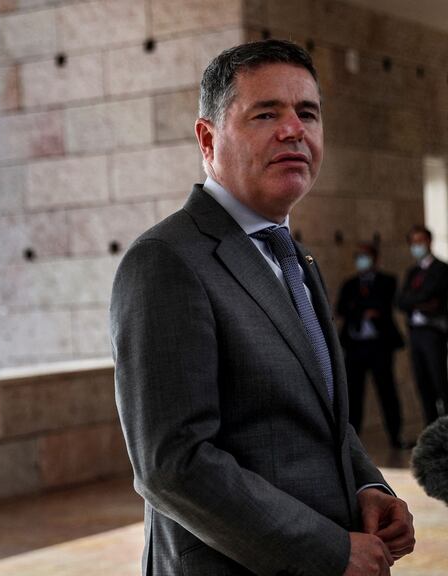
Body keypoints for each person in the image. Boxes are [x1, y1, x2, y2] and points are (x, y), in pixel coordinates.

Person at [110, 39, 415, 575]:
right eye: (266, 113)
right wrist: (328, 551)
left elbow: (321, 415)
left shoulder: (295, 257)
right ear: (208, 139)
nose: (294, 129)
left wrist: (368, 484)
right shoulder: (166, 260)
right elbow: (173, 466)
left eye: (308, 113)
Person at [336, 243, 406, 448]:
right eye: (358, 256)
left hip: (379, 346)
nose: (361, 260)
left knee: (387, 391)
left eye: (365, 256)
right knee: (354, 394)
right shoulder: (349, 284)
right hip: (355, 347)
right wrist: (363, 307)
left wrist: (357, 306)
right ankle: (352, 441)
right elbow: (341, 309)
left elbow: (382, 306)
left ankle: (395, 436)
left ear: (375, 259)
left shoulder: (387, 280)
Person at [397, 225, 448, 425]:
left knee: (439, 383)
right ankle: (432, 431)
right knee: (422, 384)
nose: (416, 246)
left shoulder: (441, 269)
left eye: (420, 241)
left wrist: (415, 299)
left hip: (433, 332)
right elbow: (401, 301)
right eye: (413, 242)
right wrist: (419, 301)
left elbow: (431, 294)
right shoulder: (412, 271)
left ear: (429, 242)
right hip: (416, 333)